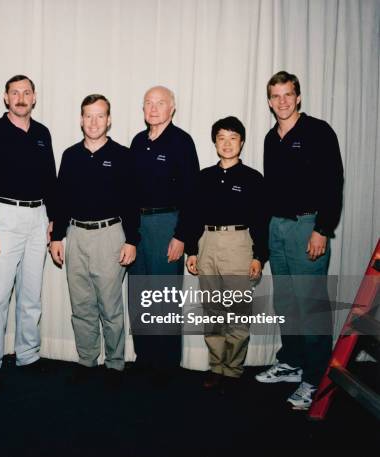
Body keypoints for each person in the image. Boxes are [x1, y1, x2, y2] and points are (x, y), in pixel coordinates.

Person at [255, 71, 344, 410]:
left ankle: (315, 378)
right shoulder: (269, 138)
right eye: (276, 96)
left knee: (311, 306)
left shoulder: (318, 132)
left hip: (308, 227)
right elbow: (270, 192)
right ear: (268, 101)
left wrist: (322, 229)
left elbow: (333, 183)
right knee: (287, 303)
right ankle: (292, 362)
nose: (282, 101)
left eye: (288, 94)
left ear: (299, 96)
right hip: (277, 227)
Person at [50, 94, 139, 386]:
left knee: (110, 307)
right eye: (88, 115)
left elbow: (131, 202)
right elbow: (60, 200)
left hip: (110, 236)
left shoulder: (123, 156)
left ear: (109, 120)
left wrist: (131, 241)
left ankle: (115, 365)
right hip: (75, 235)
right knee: (82, 305)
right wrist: (57, 237)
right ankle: (87, 361)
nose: (94, 122)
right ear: (80, 119)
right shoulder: (70, 155)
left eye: (100, 115)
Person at [0, 75, 57, 389]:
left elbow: (50, 180)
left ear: (34, 97)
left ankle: (28, 354)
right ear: (6, 98)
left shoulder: (42, 133)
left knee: (31, 294)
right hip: (3, 216)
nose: (21, 97)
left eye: (26, 92)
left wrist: (53, 219)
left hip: (37, 218)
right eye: (15, 92)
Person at [185, 116, 268, 389]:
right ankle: (217, 366)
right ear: (215, 142)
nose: (227, 143)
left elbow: (260, 219)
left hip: (239, 244)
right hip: (207, 242)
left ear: (242, 142)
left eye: (233, 138)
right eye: (221, 138)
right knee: (212, 311)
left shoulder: (253, 179)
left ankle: (233, 370)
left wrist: (259, 255)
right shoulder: (204, 177)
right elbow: (192, 214)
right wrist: (192, 250)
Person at [129, 86, 200, 382]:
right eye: (148, 103)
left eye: (160, 103)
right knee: (139, 295)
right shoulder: (137, 141)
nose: (153, 108)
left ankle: (166, 365)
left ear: (172, 108)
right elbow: (129, 192)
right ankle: (145, 357)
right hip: (138, 227)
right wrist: (129, 234)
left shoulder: (182, 142)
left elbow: (193, 194)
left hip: (167, 225)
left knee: (164, 298)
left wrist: (183, 236)